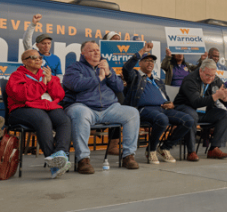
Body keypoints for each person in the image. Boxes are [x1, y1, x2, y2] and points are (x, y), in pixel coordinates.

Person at [62, 41, 140, 174]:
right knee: (79, 113)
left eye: (97, 50)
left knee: (132, 113)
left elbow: (119, 88)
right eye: (92, 50)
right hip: (84, 106)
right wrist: (98, 78)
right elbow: (75, 85)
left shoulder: (104, 66)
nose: (96, 52)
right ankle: (83, 159)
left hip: (109, 108)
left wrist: (109, 73)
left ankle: (128, 156)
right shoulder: (74, 67)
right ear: (83, 53)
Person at [122, 42, 194, 164]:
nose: (150, 63)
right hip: (144, 109)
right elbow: (126, 68)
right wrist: (142, 51)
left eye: (152, 61)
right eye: (146, 60)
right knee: (162, 120)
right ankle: (151, 150)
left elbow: (164, 97)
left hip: (163, 109)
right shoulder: (135, 76)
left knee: (188, 120)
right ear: (140, 63)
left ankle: (165, 147)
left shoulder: (158, 80)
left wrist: (170, 104)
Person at [6, 50, 71, 178]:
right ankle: (54, 164)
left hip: (44, 106)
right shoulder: (17, 76)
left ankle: (60, 154)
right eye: (33, 57)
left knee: (64, 120)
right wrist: (42, 84)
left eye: (39, 57)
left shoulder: (45, 74)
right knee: (43, 120)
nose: (38, 60)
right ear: (24, 61)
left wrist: (50, 80)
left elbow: (59, 95)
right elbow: (23, 96)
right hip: (21, 109)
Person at [173, 59, 227, 161]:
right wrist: (216, 96)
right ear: (201, 71)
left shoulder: (215, 79)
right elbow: (196, 102)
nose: (210, 78)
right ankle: (191, 151)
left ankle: (214, 149)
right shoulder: (190, 79)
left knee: (225, 115)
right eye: (207, 75)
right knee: (192, 116)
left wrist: (225, 97)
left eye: (213, 75)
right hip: (185, 108)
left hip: (205, 111)